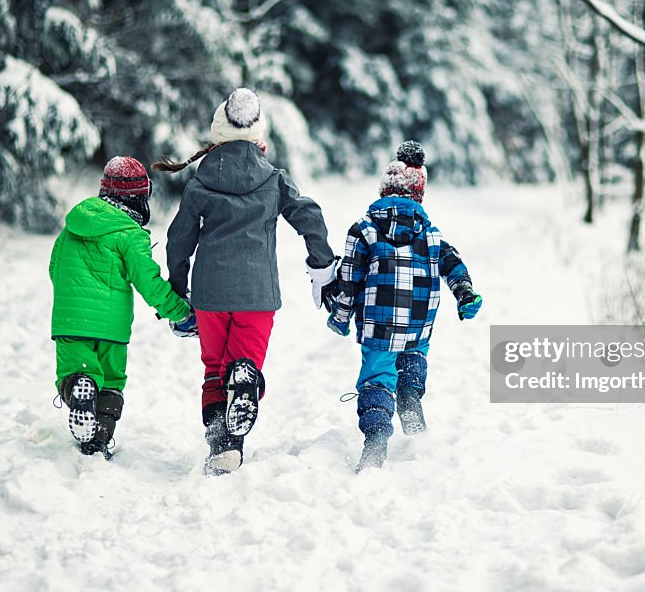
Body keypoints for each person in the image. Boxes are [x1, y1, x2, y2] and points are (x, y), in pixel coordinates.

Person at [155, 87, 337, 475]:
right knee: (244, 364)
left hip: (210, 294)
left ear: (217, 135)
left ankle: (224, 445)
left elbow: (178, 240)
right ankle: (246, 380)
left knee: (214, 370)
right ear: (258, 138)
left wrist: (176, 288)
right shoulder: (274, 181)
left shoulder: (200, 184)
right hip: (258, 294)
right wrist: (321, 266)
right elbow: (311, 218)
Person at [326, 141, 483, 471]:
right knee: (412, 361)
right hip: (418, 324)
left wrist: (340, 318)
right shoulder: (431, 233)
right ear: (419, 196)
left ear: (383, 190)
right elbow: (453, 265)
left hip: (379, 327)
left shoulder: (364, 229)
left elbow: (350, 280)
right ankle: (412, 413)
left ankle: (376, 442)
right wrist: (465, 293)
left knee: (378, 378)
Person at [50, 156, 197, 458]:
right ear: (138, 197)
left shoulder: (72, 226)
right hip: (112, 327)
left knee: (75, 372)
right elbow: (149, 282)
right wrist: (180, 312)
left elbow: (55, 268)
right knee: (111, 383)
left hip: (69, 320)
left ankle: (80, 386)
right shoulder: (130, 234)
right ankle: (98, 442)